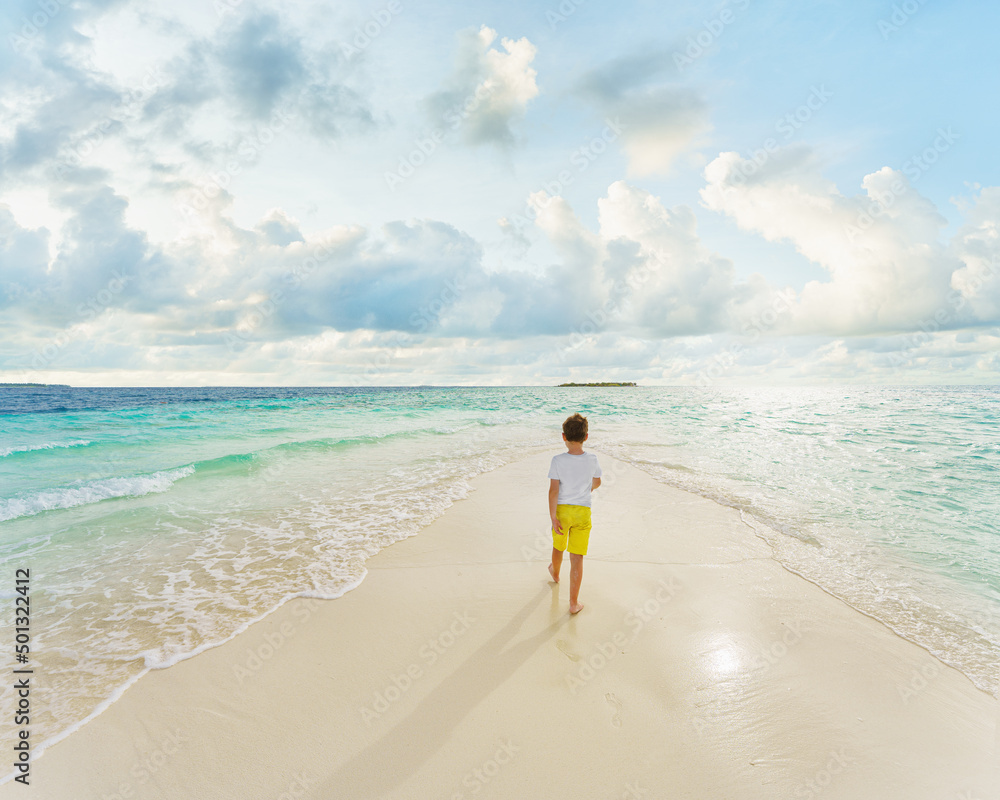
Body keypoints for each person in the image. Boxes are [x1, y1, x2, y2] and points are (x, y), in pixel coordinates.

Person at [547, 413, 602, 614]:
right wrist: (589, 487)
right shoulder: (592, 459)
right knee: (577, 557)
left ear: (563, 436)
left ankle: (555, 572)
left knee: (558, 547)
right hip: (582, 512)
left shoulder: (557, 460)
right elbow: (596, 482)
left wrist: (553, 516)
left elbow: (553, 490)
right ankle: (573, 603)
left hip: (562, 510)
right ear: (586, 437)